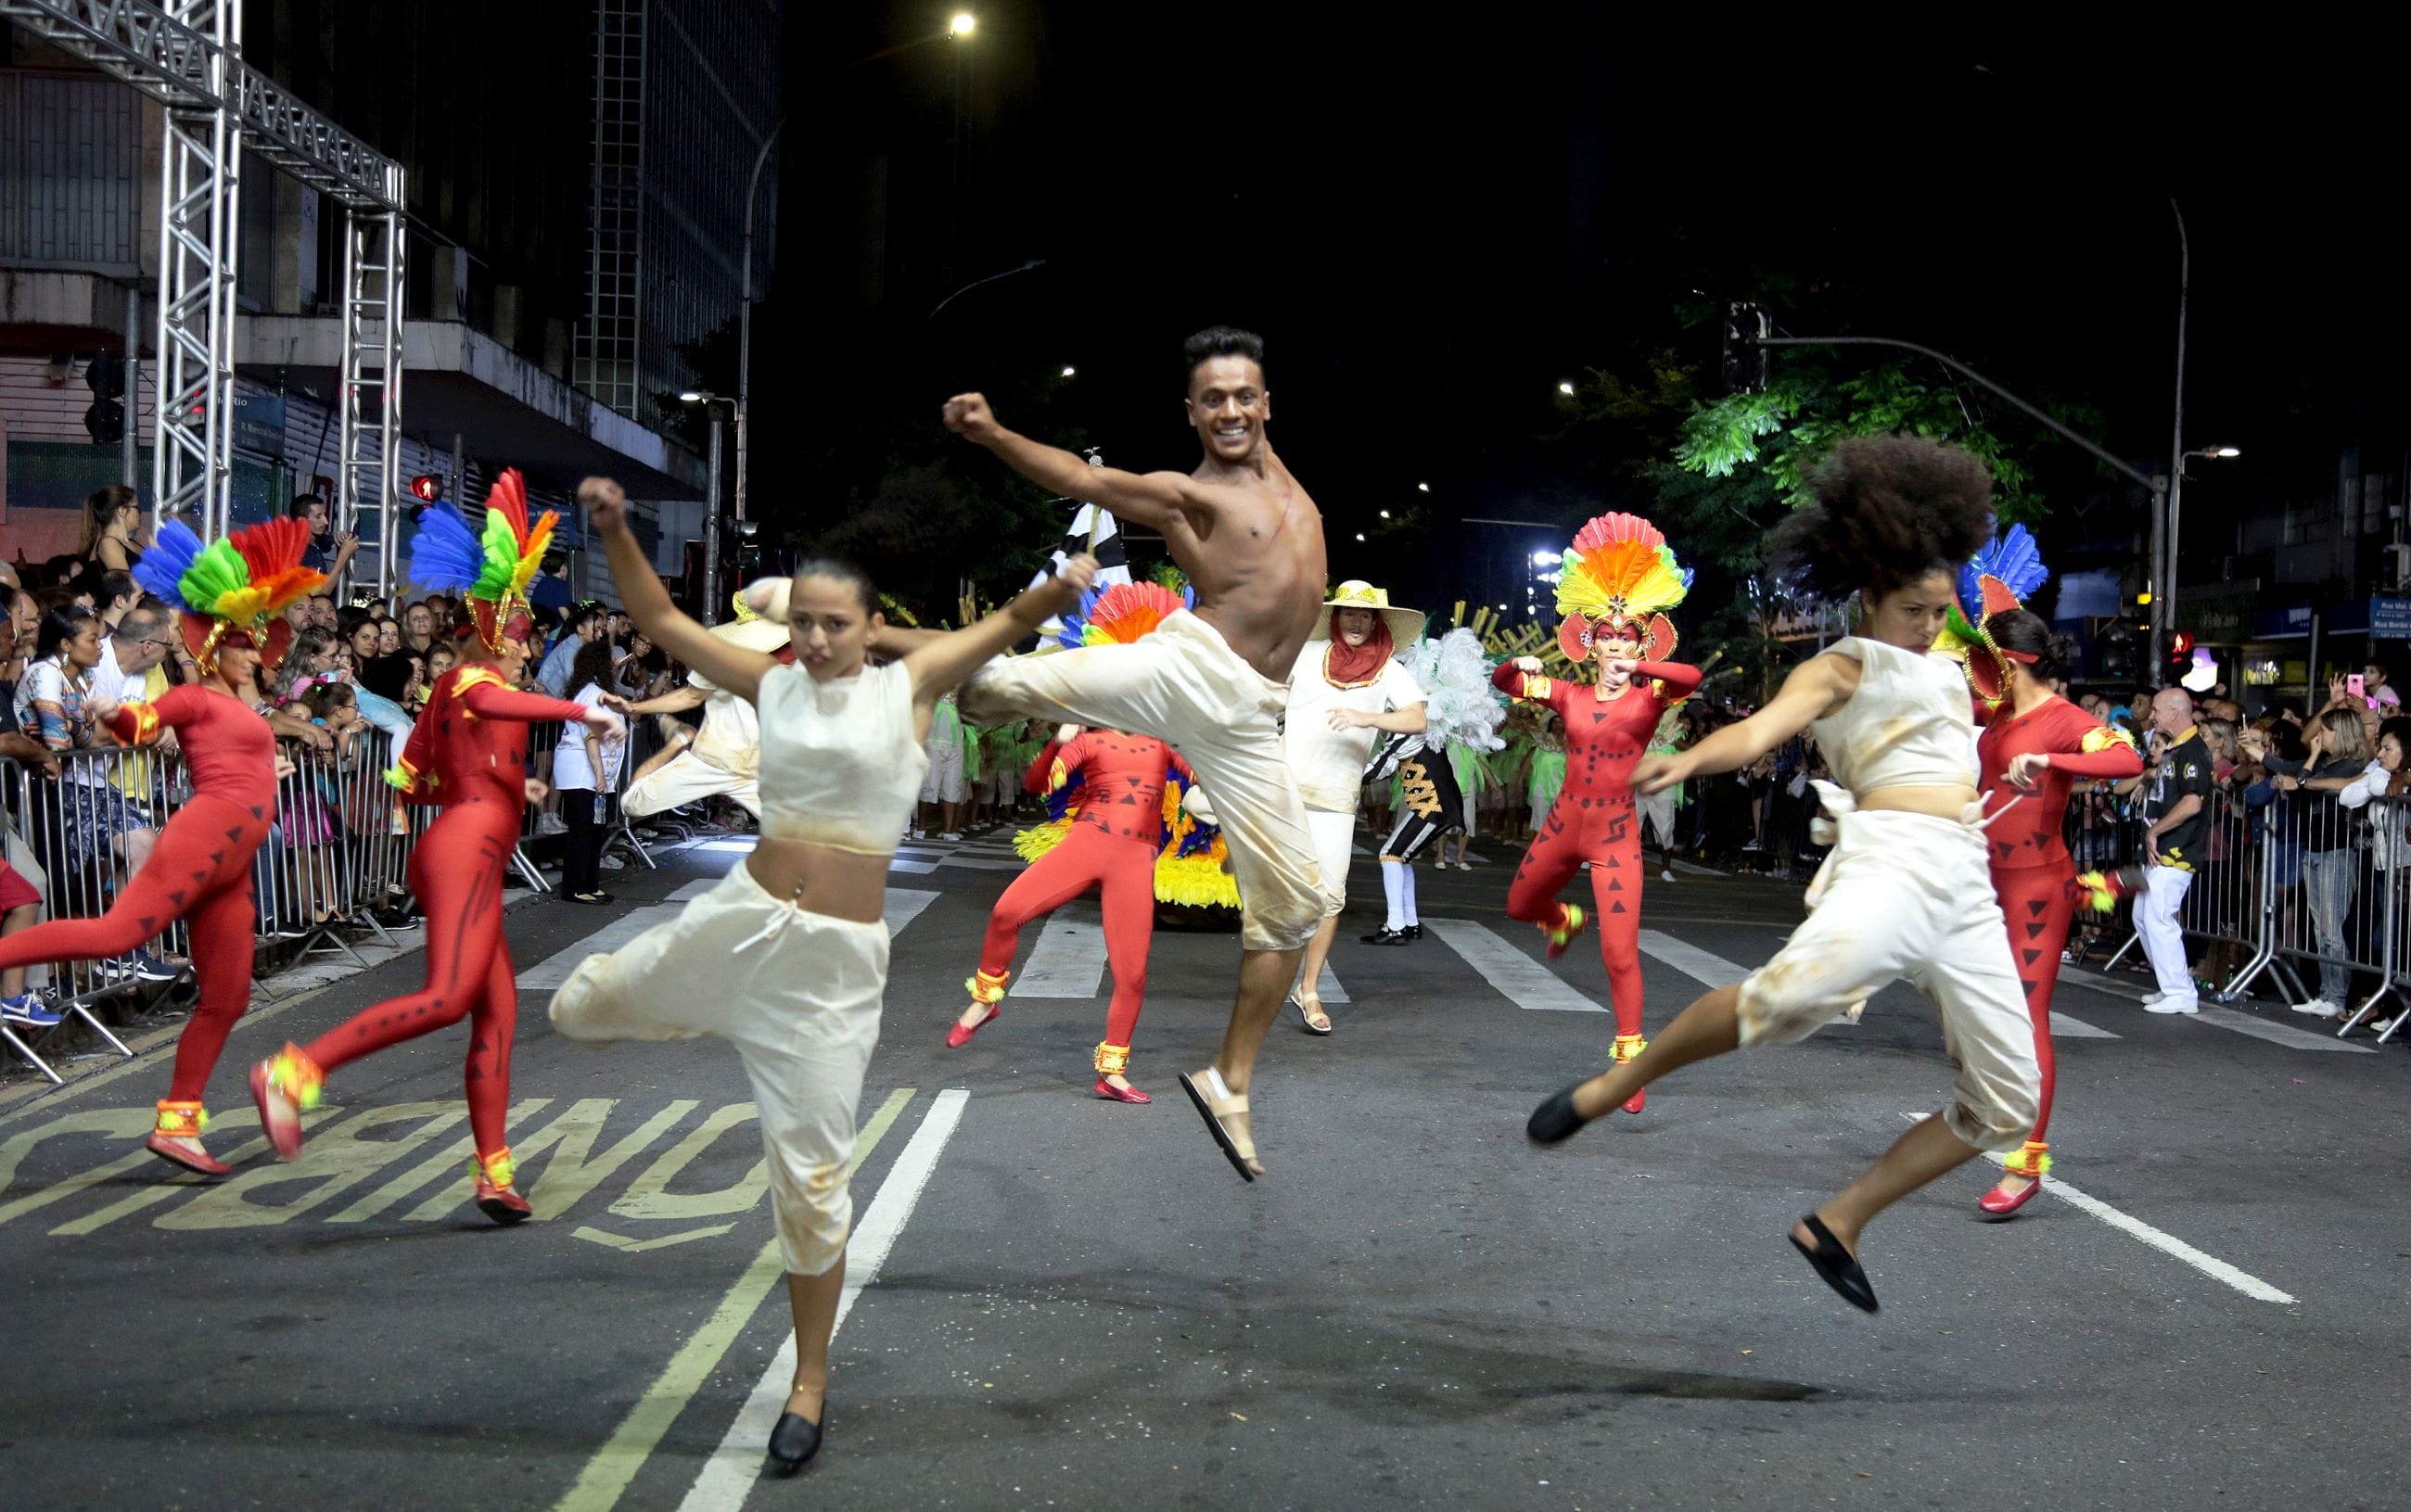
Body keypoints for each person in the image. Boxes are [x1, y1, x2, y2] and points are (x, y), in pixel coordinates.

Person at [552, 476, 1092, 1474]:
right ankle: (698, 1006)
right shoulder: (772, 683)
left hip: (831, 970)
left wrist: (1065, 588)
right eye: (799, 622)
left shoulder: (912, 687)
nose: (812, 639)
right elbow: (657, 614)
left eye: (832, 624)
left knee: (810, 1183)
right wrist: (616, 528)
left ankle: (807, 1378)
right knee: (576, 1011)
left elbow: (1013, 619)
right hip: (739, 920)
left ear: (871, 626)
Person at [1528, 435, 2041, 1315]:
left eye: (1942, 609)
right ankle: (1616, 1080)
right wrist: (1686, 764)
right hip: (1891, 862)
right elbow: (1758, 733)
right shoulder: (1841, 664)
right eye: (1918, 609)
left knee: (2011, 1102)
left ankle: (1839, 1223)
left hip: (1965, 881)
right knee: (1786, 1001)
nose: (1933, 624)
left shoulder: (1951, 675)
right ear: (1873, 595)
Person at [933, 325, 1331, 1182]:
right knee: (1003, 687)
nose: (1229, 409)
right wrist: (995, 435)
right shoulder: (1189, 494)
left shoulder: (1293, 489)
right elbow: (1084, 478)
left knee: (1297, 905)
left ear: (1267, 403)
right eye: (1212, 399)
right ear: (1191, 413)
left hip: (1251, 714)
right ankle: (909, 663)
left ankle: (1229, 1082)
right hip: (1194, 668)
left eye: (1243, 395)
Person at [249, 470, 621, 1219]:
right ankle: (294, 1070)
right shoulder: (471, 680)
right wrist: (577, 715)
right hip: (463, 853)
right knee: (449, 998)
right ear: (494, 635)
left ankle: (494, 1170)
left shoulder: (477, 693)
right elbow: (488, 702)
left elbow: (415, 779)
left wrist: (511, 787)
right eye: (521, 638)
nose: (527, 649)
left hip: (468, 845)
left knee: (498, 1012)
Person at [0, 516, 319, 1173]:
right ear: (211, 648)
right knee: (116, 933)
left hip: (235, 866)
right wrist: (106, 712)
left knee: (228, 997)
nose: (254, 650)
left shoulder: (239, 704)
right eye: (240, 642)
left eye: (256, 640)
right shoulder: (195, 699)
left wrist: (274, 765)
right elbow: (141, 721)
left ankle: (179, 1123)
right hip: (205, 839)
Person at [950, 580, 1199, 1101]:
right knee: (1005, 913)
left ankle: (1112, 1072)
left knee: (1132, 974)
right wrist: (1057, 742)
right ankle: (988, 994)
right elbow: (1040, 785)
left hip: (1136, 859)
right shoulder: (1087, 738)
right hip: (1086, 844)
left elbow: (1203, 781)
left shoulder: (1165, 742)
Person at [1496, 512, 1702, 1111]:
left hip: (1615, 835)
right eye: (1606, 637)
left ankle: (1629, 1058)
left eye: (1626, 637)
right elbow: (1504, 680)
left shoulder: (1650, 694)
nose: (1615, 645)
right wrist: (1520, 668)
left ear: (1642, 642)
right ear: (1588, 643)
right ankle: (1562, 919)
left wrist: (1641, 669)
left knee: (1620, 952)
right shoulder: (1570, 693)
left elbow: (1689, 676)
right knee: (1518, 905)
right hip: (1564, 825)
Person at [1953, 600, 2141, 1217]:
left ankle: (2026, 1160)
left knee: (2028, 1016)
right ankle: (2098, 887)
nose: (1974, 670)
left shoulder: (2060, 720)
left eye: (1982, 659)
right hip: (1985, 880)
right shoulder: (1999, 711)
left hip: (2034, 886)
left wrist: (2053, 761)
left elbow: (2127, 760)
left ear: (2009, 662)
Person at [1281, 581, 1426, 1025]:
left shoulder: (1388, 669)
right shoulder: (1307, 653)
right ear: (1336, 617)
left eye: (1365, 615)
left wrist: (1368, 717)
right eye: (1349, 614)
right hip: (1283, 791)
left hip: (1336, 799)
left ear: (1377, 621)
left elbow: (1417, 718)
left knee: (1330, 897)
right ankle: (1270, 979)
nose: (1357, 622)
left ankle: (1308, 991)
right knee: (1280, 895)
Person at [2078, 689, 2215, 1014]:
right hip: (2158, 853)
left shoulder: (2193, 750)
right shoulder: (2176, 750)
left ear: (2173, 712)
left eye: (2156, 709)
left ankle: (2180, 992)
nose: (2151, 715)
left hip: (2178, 851)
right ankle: (2170, 984)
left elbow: (2193, 801)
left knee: (2158, 916)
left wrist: (2156, 829)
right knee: (2144, 916)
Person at [620, 583, 792, 822]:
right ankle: (677, 741)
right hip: (719, 761)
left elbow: (690, 696)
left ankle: (678, 740)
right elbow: (690, 696)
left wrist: (638, 707)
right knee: (632, 805)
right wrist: (638, 707)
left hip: (746, 767)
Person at [555, 638, 629, 905]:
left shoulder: (594, 691)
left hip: (592, 771)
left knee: (595, 830)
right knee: (583, 830)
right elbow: (590, 736)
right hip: (581, 770)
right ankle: (575, 887)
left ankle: (589, 884)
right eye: (610, 660)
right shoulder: (591, 693)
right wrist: (599, 774)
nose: (614, 664)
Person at [288, 494, 360, 581]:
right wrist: (344, 554)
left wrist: (337, 537)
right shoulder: (296, 553)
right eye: (318, 517)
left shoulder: (316, 542)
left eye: (324, 516)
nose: (326, 521)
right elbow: (321, 591)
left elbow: (327, 540)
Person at [78, 484, 145, 574]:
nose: (140, 512)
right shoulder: (108, 543)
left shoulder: (132, 543)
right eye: (137, 508)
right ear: (122, 511)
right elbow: (127, 585)